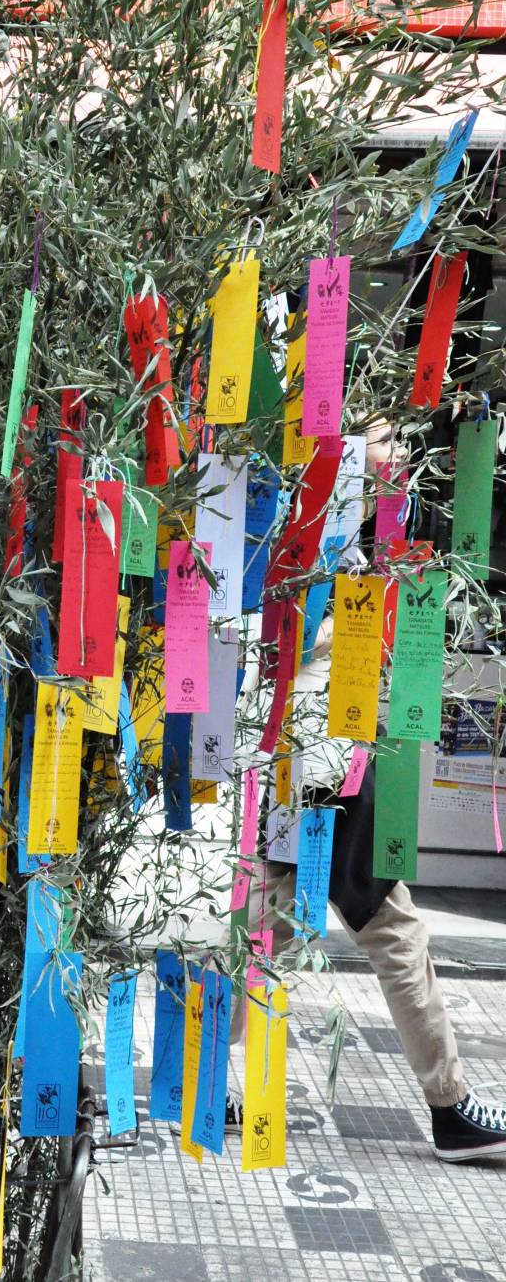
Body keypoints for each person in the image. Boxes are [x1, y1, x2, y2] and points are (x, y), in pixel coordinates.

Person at [224, 421, 506, 1163]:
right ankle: (449, 1108)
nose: (403, 453)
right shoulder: (324, 497)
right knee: (391, 926)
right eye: (389, 438)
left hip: (299, 734)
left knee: (266, 915)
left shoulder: (345, 505)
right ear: (350, 442)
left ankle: (202, 1074)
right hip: (324, 738)